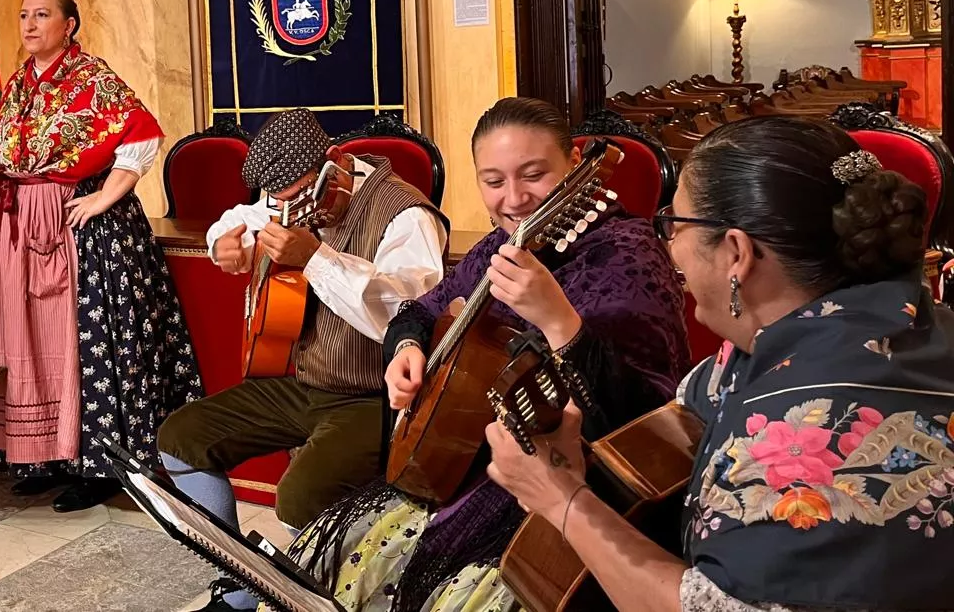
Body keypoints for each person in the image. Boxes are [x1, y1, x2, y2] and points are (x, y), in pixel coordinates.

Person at [486, 116, 954, 612]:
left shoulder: (793, 445)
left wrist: (560, 499)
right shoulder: (911, 320)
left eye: (675, 224)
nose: (669, 247)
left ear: (737, 252)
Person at [269, 97, 688, 612]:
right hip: (470, 461)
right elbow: (420, 310)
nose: (514, 199)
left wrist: (560, 322)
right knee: (320, 568)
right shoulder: (499, 246)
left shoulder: (626, 252)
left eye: (534, 174)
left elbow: (644, 415)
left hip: (568, 490)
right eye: (493, 182)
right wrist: (405, 349)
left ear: (576, 162)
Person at [158, 106, 449, 608]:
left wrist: (314, 257)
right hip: (308, 380)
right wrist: (221, 243)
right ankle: (238, 585)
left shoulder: (407, 214)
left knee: (299, 498)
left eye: (300, 196)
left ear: (336, 163)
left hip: (377, 397)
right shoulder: (294, 196)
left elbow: (407, 315)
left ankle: (287, 600)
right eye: (282, 200)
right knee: (181, 439)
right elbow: (242, 217)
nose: (292, 210)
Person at [0, 0, 203, 513]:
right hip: (21, 227)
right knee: (28, 341)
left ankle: (101, 465)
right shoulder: (18, 86)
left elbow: (142, 137)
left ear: (69, 24)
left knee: (87, 341)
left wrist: (102, 198)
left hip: (84, 232)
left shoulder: (92, 78)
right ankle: (44, 456)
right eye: (24, 14)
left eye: (43, 15)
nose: (30, 24)